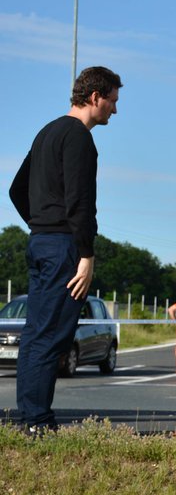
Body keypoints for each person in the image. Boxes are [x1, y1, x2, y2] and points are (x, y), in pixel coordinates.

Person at [8, 66, 123, 434]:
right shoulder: (78, 138)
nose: (114, 111)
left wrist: (39, 223)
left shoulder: (46, 133)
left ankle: (28, 418)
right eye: (112, 102)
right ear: (95, 98)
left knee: (36, 333)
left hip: (40, 243)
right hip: (64, 249)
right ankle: (38, 423)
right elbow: (80, 203)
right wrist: (85, 255)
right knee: (54, 336)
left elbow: (15, 190)